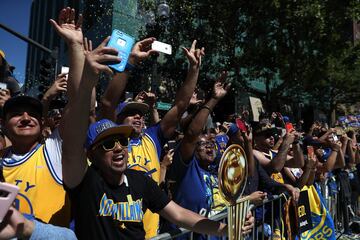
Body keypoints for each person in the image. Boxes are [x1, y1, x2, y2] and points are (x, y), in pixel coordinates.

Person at [60, 36, 243, 240]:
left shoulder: (142, 175)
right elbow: (90, 120)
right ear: (91, 154)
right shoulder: (85, 181)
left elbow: (180, 215)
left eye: (122, 140)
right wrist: (116, 68)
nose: (119, 147)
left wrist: (227, 229)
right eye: (109, 143)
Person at [101, 37, 205, 237]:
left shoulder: (153, 137)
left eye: (141, 113)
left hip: (151, 234)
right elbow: (107, 103)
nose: (139, 117)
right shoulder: (110, 143)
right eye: (131, 113)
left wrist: (194, 70)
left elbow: (180, 105)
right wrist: (130, 63)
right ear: (118, 118)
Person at [0, 95, 70, 226]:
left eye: (32, 114)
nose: (26, 118)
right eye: (17, 114)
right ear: (3, 123)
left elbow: (78, 106)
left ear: (42, 122)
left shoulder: (53, 150)